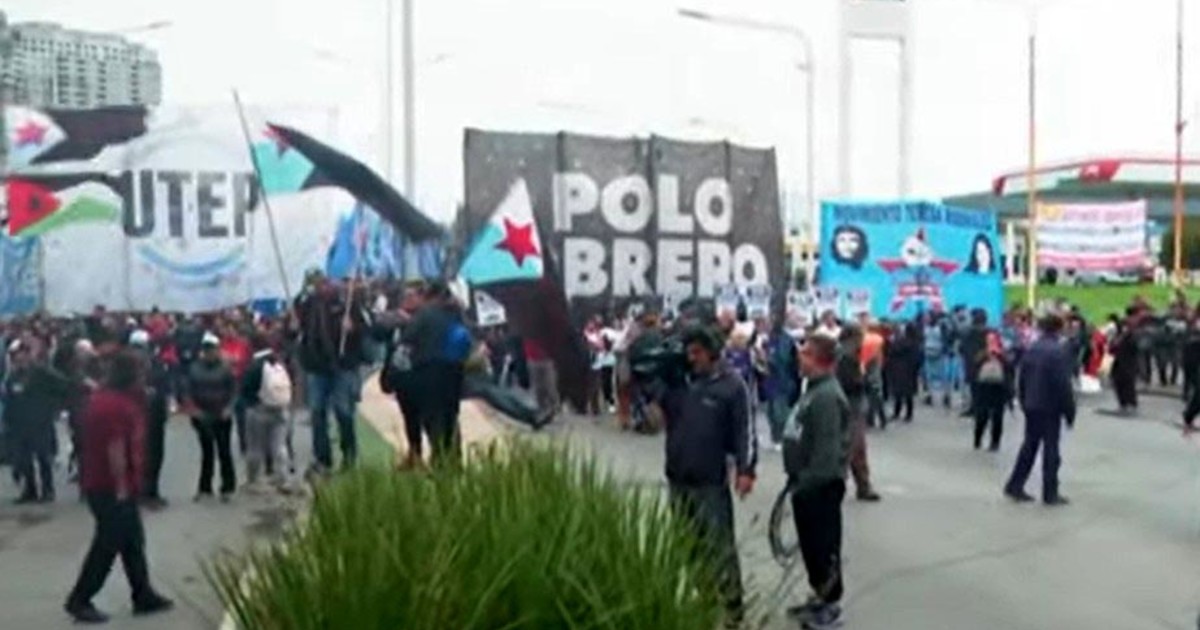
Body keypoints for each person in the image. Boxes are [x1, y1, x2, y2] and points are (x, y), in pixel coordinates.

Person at [65, 350, 173, 624]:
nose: (144, 378)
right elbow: (115, 448)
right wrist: (122, 485)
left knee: (133, 541)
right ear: (130, 375)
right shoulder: (113, 406)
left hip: (113, 484)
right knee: (107, 544)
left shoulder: (112, 400)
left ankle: (142, 593)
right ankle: (80, 598)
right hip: (109, 485)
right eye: (140, 373)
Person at [659, 326, 755, 628]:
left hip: (710, 482)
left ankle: (733, 609)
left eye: (697, 352)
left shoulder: (732, 385)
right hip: (678, 480)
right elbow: (655, 402)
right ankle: (704, 598)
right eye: (688, 353)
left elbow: (745, 430)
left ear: (712, 352)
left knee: (719, 547)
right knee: (689, 545)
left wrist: (746, 469)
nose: (692, 358)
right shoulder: (680, 384)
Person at [783, 334, 851, 630]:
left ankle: (830, 604)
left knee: (823, 547)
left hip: (820, 486)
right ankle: (819, 596)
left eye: (806, 353)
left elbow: (827, 449)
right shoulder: (813, 389)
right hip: (805, 483)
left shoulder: (826, 396)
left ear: (820, 359)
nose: (800, 357)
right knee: (811, 547)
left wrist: (807, 482)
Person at [295, 274, 372, 472]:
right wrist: (292, 327)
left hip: (343, 365)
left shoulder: (348, 303)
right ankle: (322, 458)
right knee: (317, 412)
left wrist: (353, 328)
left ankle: (349, 456)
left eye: (325, 281)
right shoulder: (306, 305)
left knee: (343, 412)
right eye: (317, 282)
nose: (322, 286)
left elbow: (367, 327)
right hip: (316, 366)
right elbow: (297, 331)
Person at [1004, 314, 1076, 506]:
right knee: (1051, 450)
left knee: (1029, 445)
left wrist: (1023, 399)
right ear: (1059, 329)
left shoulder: (1032, 349)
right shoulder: (1058, 352)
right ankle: (1050, 492)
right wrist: (1070, 411)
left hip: (1032, 404)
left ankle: (1015, 484)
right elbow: (1063, 385)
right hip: (1050, 406)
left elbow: (1022, 377)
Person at [403, 281, 471, 465]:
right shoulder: (456, 313)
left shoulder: (424, 314)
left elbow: (407, 338)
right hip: (454, 372)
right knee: (451, 418)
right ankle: (454, 459)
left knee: (434, 419)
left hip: (429, 372)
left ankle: (440, 460)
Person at [3, 338, 70, 503]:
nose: (18, 358)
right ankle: (30, 489)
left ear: (28, 354)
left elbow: (63, 385)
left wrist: (53, 407)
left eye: (21, 354)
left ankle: (48, 490)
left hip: (40, 421)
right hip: (20, 423)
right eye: (15, 355)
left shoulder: (41, 372)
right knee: (24, 458)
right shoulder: (13, 376)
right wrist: (7, 420)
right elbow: (9, 399)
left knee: (43, 457)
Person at [185, 333, 237, 501]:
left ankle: (227, 487)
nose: (209, 353)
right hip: (202, 415)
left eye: (212, 349)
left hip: (221, 414)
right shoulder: (194, 368)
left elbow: (234, 391)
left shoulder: (226, 369)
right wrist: (193, 409)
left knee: (224, 451)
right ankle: (205, 488)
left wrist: (229, 408)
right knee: (207, 452)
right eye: (207, 349)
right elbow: (187, 391)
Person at [240, 334, 293, 490]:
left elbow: (245, 389)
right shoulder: (278, 363)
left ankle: (253, 479)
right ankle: (283, 477)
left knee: (255, 447)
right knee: (279, 445)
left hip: (259, 409)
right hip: (281, 409)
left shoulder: (254, 365)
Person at [836, 325, 881, 502]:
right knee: (853, 448)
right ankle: (857, 485)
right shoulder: (845, 357)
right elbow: (849, 382)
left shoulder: (848, 354)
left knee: (854, 449)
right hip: (849, 406)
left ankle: (861, 485)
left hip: (850, 406)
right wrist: (865, 382)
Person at [129, 330, 172, 509]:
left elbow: (165, 388)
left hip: (156, 415)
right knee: (140, 456)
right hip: (136, 417)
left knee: (155, 455)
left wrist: (165, 407)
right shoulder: (126, 368)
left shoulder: (156, 364)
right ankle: (140, 493)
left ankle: (152, 491)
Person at [972, 330, 1011, 451]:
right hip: (984, 388)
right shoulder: (981, 353)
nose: (991, 342)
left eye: (993, 340)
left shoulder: (1003, 354)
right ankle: (978, 438)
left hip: (999, 389)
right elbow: (975, 365)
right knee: (982, 416)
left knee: (997, 417)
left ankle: (995, 442)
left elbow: (1010, 369)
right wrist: (986, 356)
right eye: (989, 340)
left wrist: (999, 356)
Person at [885, 322, 921, 422]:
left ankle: (897, 412)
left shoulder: (902, 342)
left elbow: (892, 351)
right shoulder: (916, 343)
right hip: (910, 371)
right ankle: (909, 414)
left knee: (898, 394)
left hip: (899, 369)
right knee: (908, 394)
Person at [1109, 310, 1141, 414]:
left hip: (1129, 363)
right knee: (1118, 383)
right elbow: (1112, 348)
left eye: (1126, 326)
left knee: (1128, 384)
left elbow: (1135, 347)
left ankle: (1131, 403)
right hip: (1118, 362)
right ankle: (1122, 403)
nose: (1124, 328)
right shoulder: (1119, 336)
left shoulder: (1133, 336)